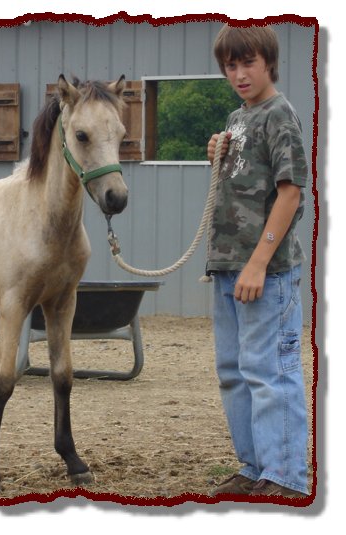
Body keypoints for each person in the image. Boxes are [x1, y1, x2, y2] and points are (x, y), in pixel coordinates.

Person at [205, 25, 309, 498]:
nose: (239, 74)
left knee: (269, 372)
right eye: (231, 65)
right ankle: (254, 468)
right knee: (235, 371)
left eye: (248, 63)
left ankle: (285, 477)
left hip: (266, 270)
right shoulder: (238, 117)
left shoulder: (279, 114)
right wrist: (218, 154)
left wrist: (258, 262)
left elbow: (290, 193)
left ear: (268, 62)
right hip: (229, 265)